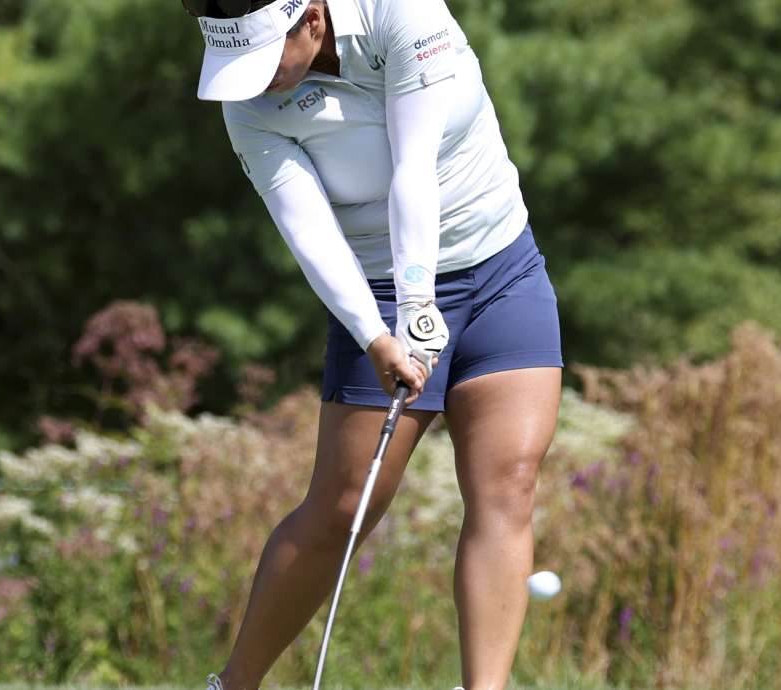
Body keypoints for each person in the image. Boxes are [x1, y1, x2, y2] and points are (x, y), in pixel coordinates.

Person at [181, 0, 562, 688]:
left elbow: (414, 169)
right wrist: (377, 335)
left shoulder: (400, 12)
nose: (256, 79)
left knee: (508, 483)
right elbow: (308, 231)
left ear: (312, 20)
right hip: (376, 290)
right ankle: (234, 685)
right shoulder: (249, 104)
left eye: (264, 57)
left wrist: (419, 304)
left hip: (501, 268)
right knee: (345, 504)